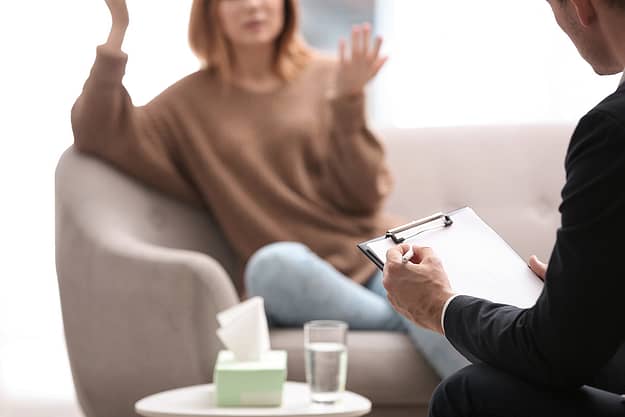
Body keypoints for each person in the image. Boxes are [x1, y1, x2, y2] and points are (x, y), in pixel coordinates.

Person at [72, 0, 467, 379]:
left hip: (374, 259)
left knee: (419, 295)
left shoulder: (332, 74)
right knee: (272, 266)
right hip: (297, 277)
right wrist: (117, 33)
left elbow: (364, 197)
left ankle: (423, 326)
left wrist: (348, 101)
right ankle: (410, 314)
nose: (254, 6)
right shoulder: (187, 103)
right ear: (210, 12)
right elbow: (96, 132)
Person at [382, 0, 625, 415]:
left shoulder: (611, 132)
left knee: (469, 392)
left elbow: (556, 353)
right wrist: (584, 295)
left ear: (582, 6)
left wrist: (440, 306)